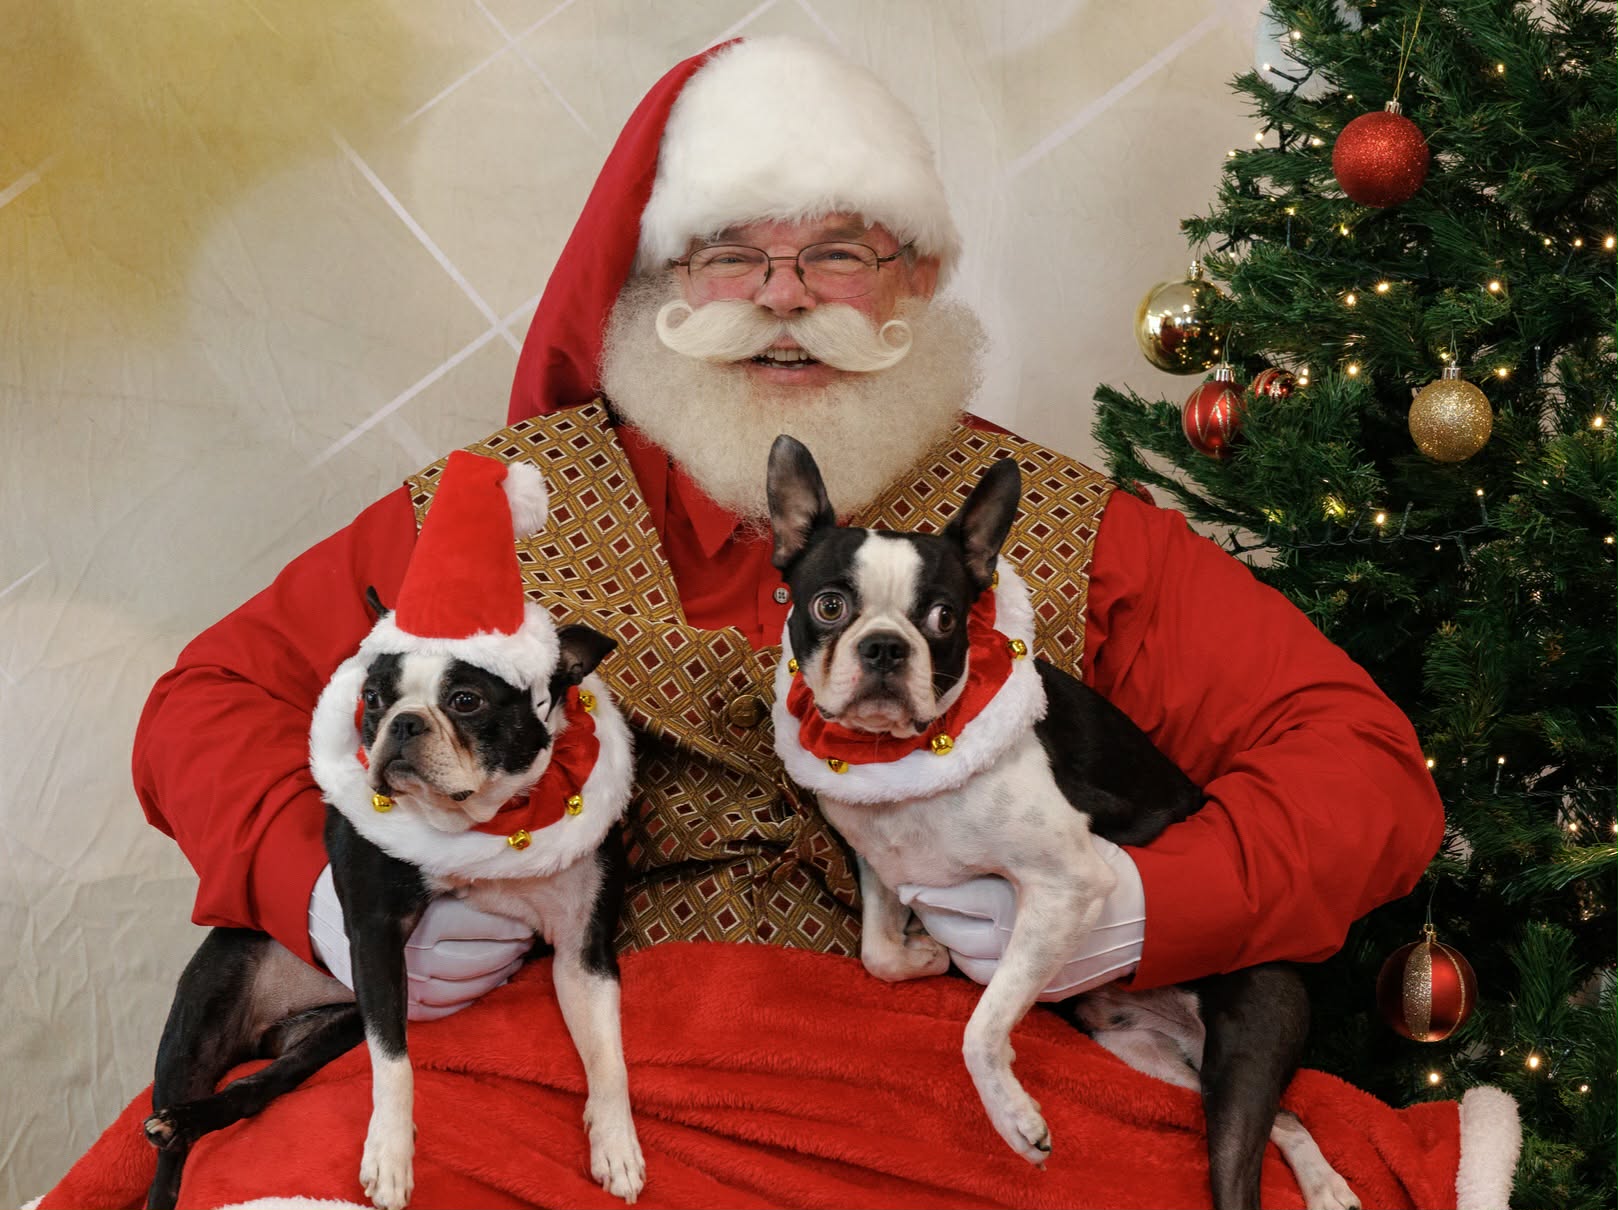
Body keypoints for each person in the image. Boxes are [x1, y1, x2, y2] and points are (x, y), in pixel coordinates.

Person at [99, 36, 1463, 1210]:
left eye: (834, 253)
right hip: (562, 1062)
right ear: (656, 289)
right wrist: (334, 896)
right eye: (730, 255)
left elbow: (1358, 764)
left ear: (913, 282)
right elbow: (204, 705)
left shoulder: (1056, 522)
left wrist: (1147, 905)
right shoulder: (495, 507)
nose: (781, 296)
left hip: (956, 1080)